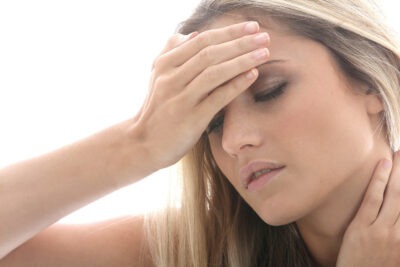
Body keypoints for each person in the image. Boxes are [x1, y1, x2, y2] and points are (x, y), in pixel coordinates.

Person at [1, 0, 400, 266]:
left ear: (371, 78)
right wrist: (138, 143)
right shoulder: (197, 250)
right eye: (212, 123)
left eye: (269, 90)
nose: (232, 140)